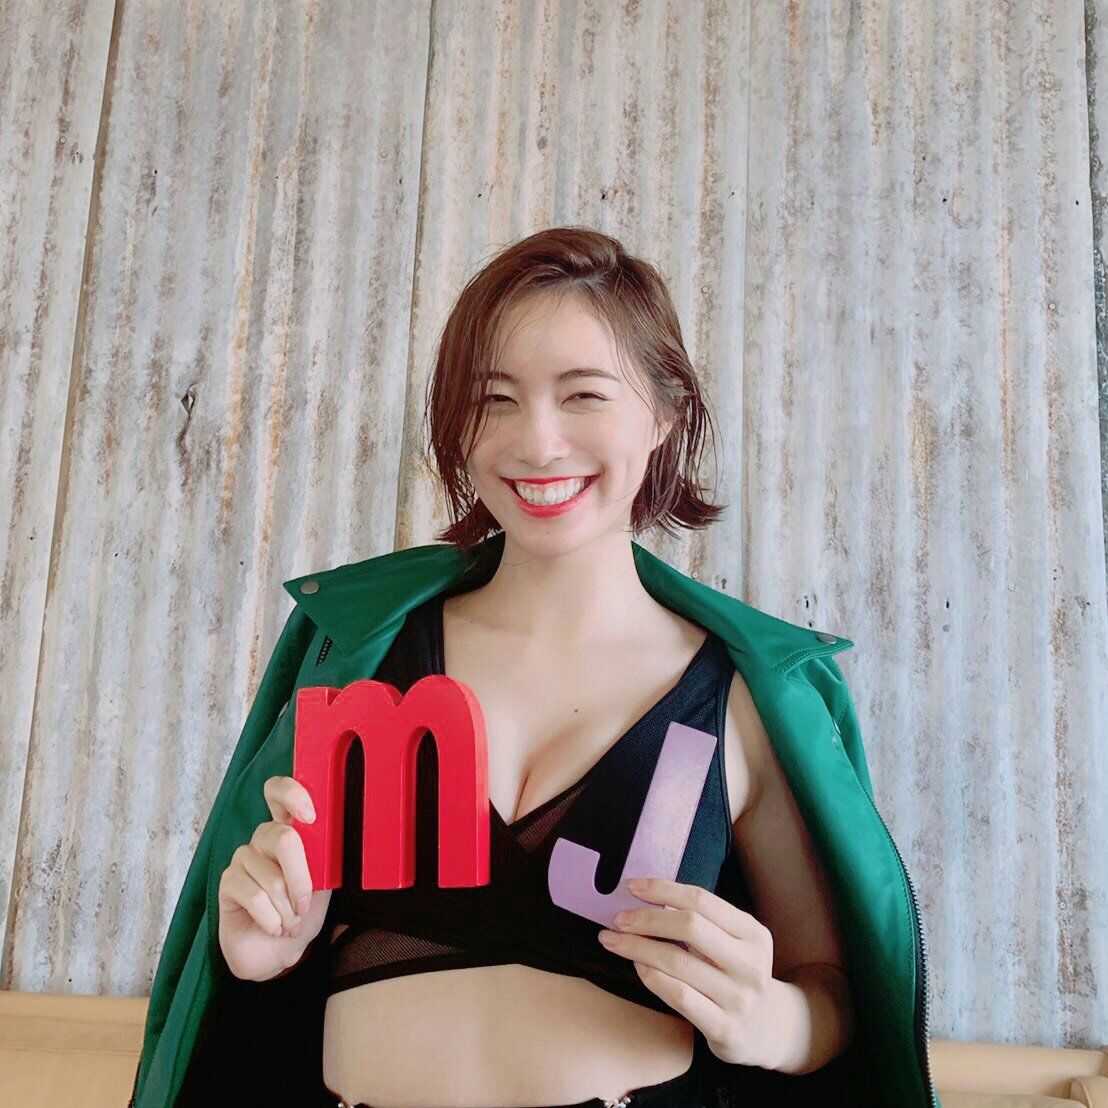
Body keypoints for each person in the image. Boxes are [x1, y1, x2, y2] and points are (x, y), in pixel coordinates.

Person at [130, 227, 936, 1108]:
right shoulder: (358, 653)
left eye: (583, 394)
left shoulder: (745, 697)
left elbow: (835, 992)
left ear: (665, 412)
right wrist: (261, 955)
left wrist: (774, 1020)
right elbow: (245, 1006)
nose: (537, 443)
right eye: (495, 399)